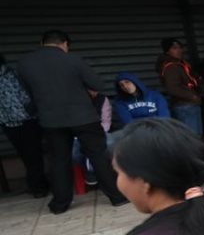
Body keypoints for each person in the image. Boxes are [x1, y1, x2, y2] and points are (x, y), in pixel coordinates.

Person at [17, 30, 125, 214]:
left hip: (51, 120)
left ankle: (60, 204)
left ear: (42, 42)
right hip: (83, 117)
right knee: (98, 155)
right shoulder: (73, 60)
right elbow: (97, 84)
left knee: (59, 160)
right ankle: (116, 197)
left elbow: (27, 93)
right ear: (64, 43)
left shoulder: (25, 64)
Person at [0, 53, 49, 196]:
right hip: (23, 121)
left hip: (15, 123)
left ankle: (38, 185)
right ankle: (38, 186)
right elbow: (26, 96)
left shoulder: (13, 75)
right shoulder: (13, 74)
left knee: (29, 156)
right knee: (33, 155)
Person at [155, 38, 204, 137]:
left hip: (189, 104)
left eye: (180, 48)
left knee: (196, 135)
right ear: (167, 51)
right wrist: (192, 96)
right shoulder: (171, 67)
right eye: (174, 48)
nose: (179, 50)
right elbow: (172, 88)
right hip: (185, 106)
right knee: (192, 136)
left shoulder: (181, 64)